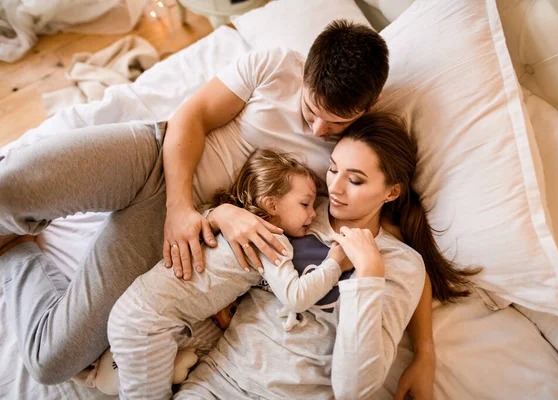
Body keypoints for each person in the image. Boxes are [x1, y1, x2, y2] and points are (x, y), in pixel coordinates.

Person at [0, 19, 452, 398]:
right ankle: (25, 217)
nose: (318, 128)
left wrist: (426, 350)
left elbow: (397, 251)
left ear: (368, 105)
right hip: (159, 156)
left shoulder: (354, 158)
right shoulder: (277, 66)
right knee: (10, 182)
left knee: (50, 360)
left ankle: (14, 252)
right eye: (312, 108)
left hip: (171, 226)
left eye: (335, 121)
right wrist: (179, 204)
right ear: (307, 70)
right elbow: (191, 116)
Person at [163, 111, 458, 399]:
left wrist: (369, 274)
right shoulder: (299, 209)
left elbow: (353, 389)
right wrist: (220, 214)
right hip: (218, 381)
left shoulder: (398, 263)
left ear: (391, 192)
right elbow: (224, 225)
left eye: (355, 181)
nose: (335, 188)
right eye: (332, 169)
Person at [108, 148, 355, 399]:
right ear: (271, 204)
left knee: (212, 340)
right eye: (305, 204)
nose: (313, 214)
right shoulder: (269, 239)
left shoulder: (223, 217)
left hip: (147, 308)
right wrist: (334, 262)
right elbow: (296, 296)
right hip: (148, 324)